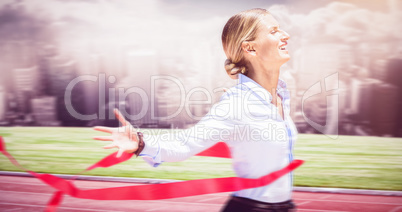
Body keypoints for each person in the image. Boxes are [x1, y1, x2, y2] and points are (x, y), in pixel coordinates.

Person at [93, 8, 297, 212]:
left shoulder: (279, 98)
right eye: (274, 31)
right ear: (250, 48)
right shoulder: (237, 105)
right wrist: (140, 143)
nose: (285, 35)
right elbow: (184, 144)